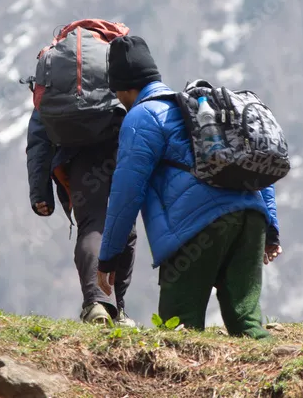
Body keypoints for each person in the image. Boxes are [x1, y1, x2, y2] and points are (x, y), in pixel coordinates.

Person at [95, 35, 281, 338]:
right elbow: (258, 165)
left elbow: (126, 193)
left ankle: (180, 383)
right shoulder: (201, 108)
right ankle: (273, 377)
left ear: (124, 88)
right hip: (251, 217)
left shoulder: (142, 116)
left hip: (196, 229)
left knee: (179, 328)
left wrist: (108, 258)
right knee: (247, 322)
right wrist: (270, 226)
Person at [26, 109, 137, 326]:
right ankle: (117, 309)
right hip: (121, 146)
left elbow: (39, 135)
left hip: (76, 157)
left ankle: (98, 304)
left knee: (92, 226)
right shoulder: (111, 75)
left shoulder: (53, 77)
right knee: (125, 228)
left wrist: (40, 191)